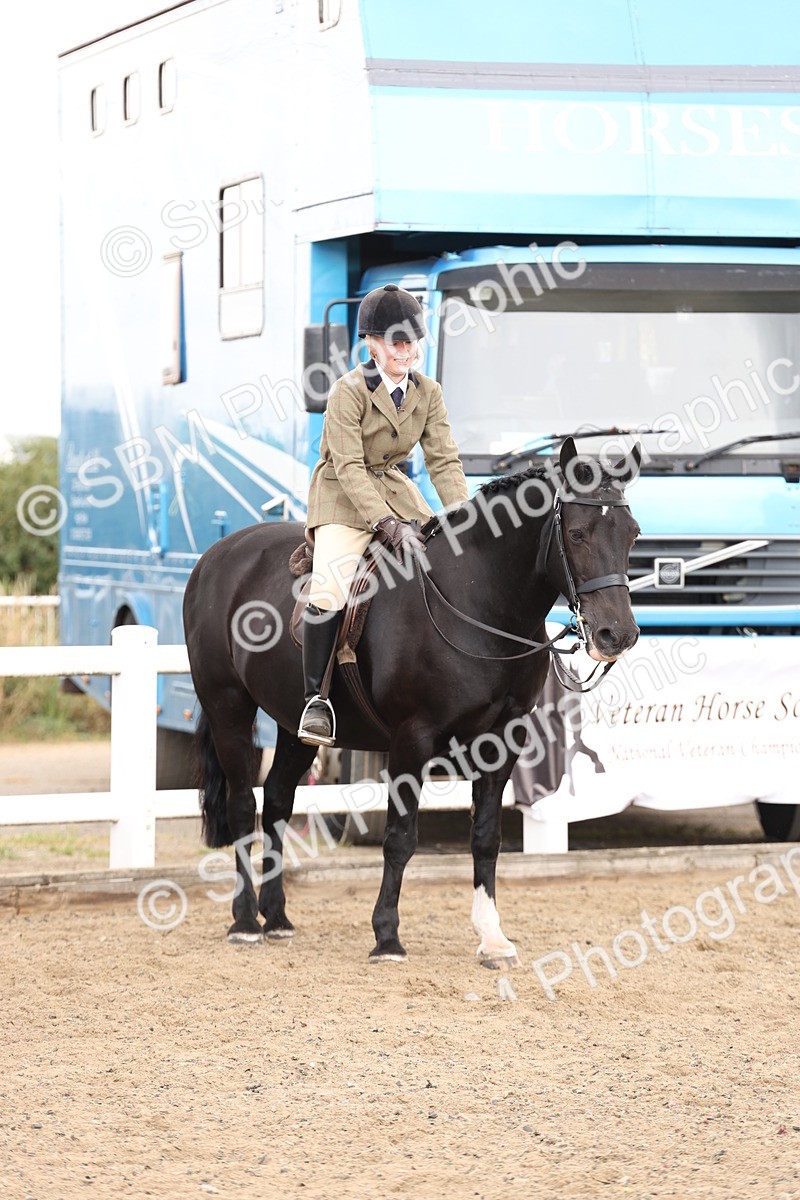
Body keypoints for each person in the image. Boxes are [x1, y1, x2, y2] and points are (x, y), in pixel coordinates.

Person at [298, 283, 469, 747]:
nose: (406, 351)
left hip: (395, 489)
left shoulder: (428, 392)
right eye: (396, 342)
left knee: (445, 558)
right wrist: (386, 522)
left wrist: (463, 515)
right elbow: (349, 466)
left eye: (412, 341)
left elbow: (443, 459)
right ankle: (316, 700)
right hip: (342, 494)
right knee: (331, 586)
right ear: (371, 344)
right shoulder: (347, 391)